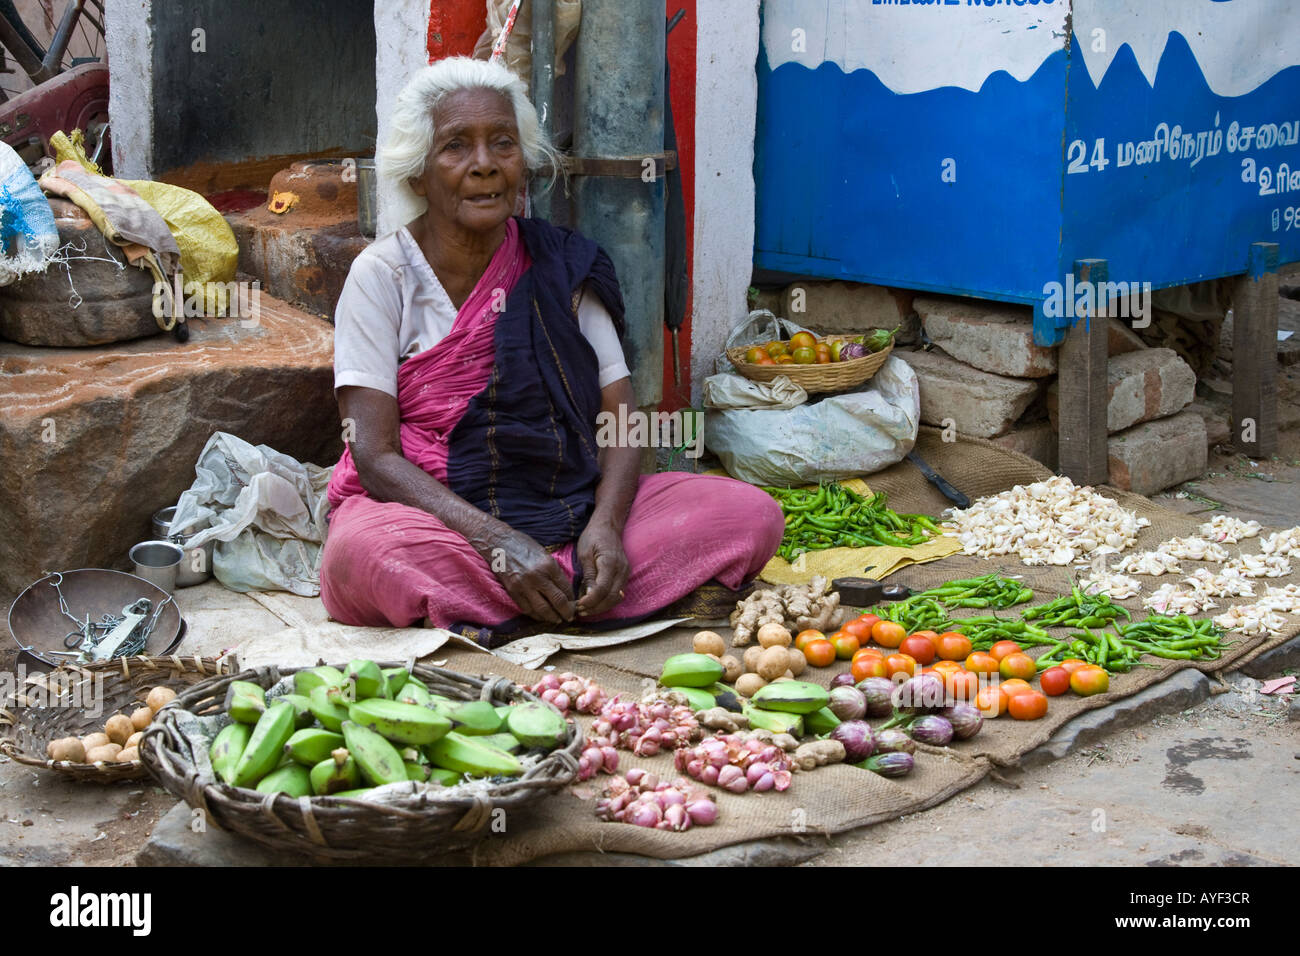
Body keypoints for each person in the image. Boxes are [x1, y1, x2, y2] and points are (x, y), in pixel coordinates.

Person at [318, 56, 783, 635]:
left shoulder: (561, 266)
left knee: (748, 513)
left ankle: (527, 601)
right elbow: (374, 454)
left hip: (569, 510)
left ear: (525, 166)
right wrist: (496, 541)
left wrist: (608, 527)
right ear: (418, 174)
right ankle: (576, 600)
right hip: (447, 525)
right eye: (457, 146)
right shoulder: (382, 275)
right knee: (361, 558)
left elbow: (621, 422)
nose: (484, 165)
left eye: (503, 144)